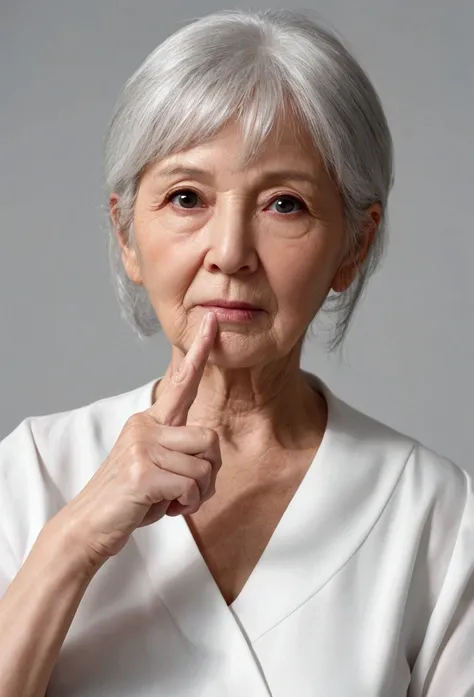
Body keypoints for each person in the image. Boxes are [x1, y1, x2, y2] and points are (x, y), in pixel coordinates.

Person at [0, 7, 472, 697]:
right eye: (186, 197)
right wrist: (73, 540)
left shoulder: (436, 514)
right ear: (127, 234)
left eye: (285, 204)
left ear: (354, 245)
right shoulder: (32, 473)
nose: (229, 253)